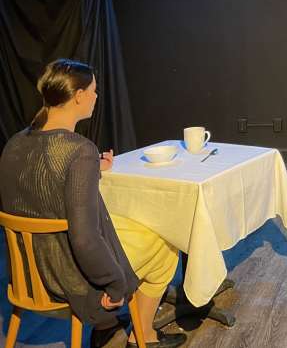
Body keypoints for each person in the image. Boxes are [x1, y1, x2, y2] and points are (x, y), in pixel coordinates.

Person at [0, 59, 186, 348]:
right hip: (68, 279)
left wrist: (95, 166)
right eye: (93, 91)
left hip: (28, 274)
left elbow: (45, 173)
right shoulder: (79, 150)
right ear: (78, 96)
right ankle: (143, 336)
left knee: (120, 226)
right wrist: (115, 286)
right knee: (165, 244)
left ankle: (107, 327)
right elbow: (84, 240)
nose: (96, 96)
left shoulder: (14, 143)